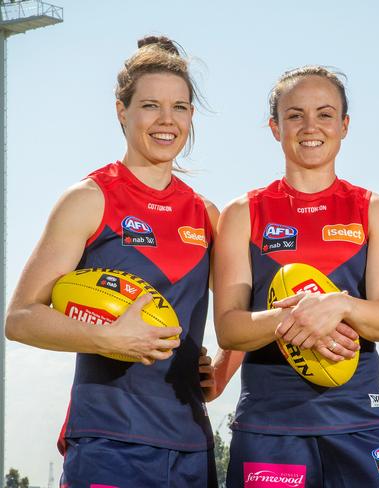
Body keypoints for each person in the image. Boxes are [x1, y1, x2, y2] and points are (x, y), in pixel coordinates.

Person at [5, 36, 224, 487]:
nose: (167, 120)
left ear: (191, 116)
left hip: (190, 444)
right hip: (107, 440)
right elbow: (20, 318)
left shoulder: (206, 213)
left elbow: (241, 310)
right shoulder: (88, 199)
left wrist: (221, 370)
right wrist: (108, 336)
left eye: (179, 107)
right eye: (150, 105)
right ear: (122, 111)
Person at [215, 66, 379, 487]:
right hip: (271, 426)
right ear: (275, 127)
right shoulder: (241, 213)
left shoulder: (373, 209)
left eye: (324, 114)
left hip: (361, 421)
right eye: (295, 115)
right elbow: (229, 329)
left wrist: (338, 304)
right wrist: (300, 317)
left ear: (344, 125)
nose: (310, 127)